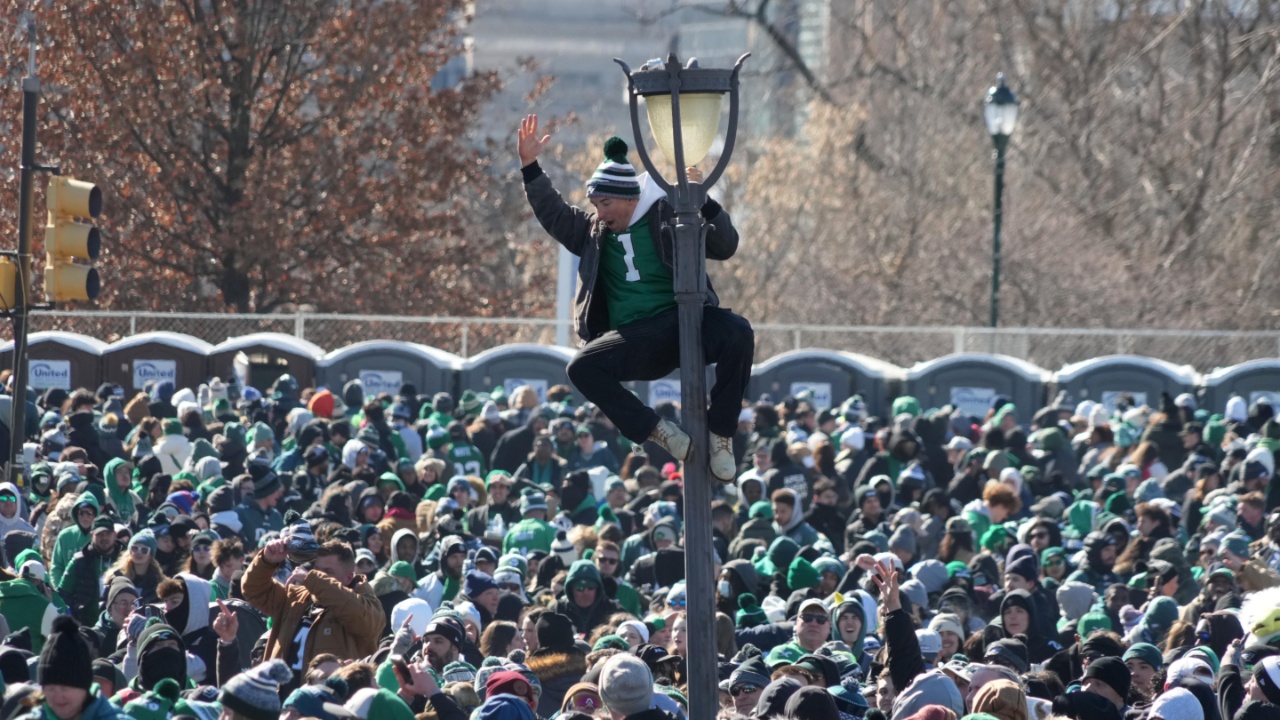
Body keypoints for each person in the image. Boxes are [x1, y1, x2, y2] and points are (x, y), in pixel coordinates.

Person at [519, 114, 753, 483]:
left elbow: (726, 246)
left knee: (739, 331)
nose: (600, 213)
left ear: (631, 199)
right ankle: (657, 431)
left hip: (687, 321)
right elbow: (554, 212)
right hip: (638, 338)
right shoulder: (593, 233)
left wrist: (704, 202)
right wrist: (531, 167)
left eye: (606, 203)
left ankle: (721, 435)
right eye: (595, 204)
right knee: (580, 367)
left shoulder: (670, 214)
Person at [240, 537, 385, 682]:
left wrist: (314, 580)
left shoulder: (367, 604)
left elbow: (360, 616)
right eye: (316, 570)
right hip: (283, 697)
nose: (318, 576)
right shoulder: (298, 597)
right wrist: (266, 561)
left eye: (327, 572)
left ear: (348, 577)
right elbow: (254, 590)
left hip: (333, 699)